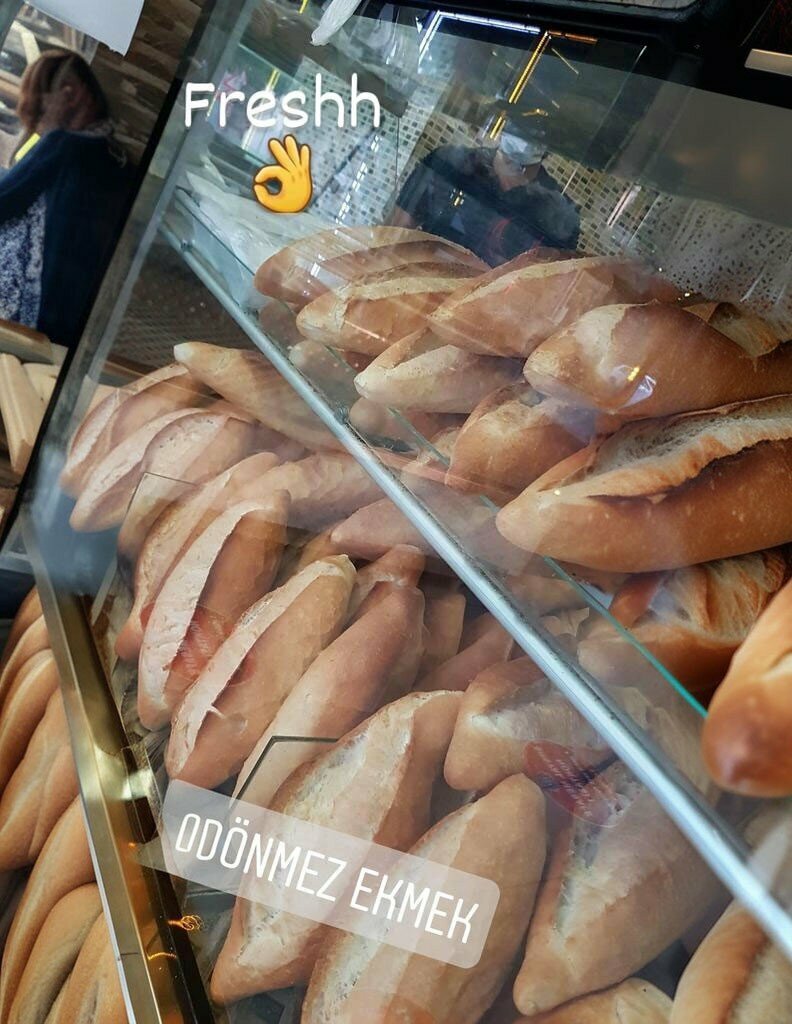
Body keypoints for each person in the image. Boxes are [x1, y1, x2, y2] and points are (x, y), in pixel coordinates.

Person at [0, 50, 135, 350]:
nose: (37, 126)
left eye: (39, 110)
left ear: (70, 94)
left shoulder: (66, 145)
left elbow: (4, 201)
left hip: (32, 323)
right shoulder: (116, 158)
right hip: (67, 327)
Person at [391, 117, 580, 265]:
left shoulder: (560, 216)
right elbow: (392, 240)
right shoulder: (448, 163)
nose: (526, 133)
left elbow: (542, 292)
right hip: (423, 287)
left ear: (550, 142)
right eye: (522, 119)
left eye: (539, 128)